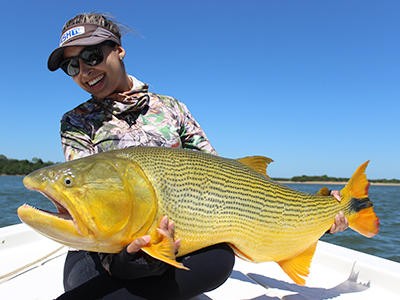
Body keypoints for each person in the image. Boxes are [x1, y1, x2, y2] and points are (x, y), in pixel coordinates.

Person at [47, 13, 348, 299]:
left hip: (178, 243)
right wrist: (122, 262)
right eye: (72, 66)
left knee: (219, 260)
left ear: (119, 51)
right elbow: (85, 200)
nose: (84, 71)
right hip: (106, 249)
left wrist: (323, 215)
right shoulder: (75, 122)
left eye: (92, 56)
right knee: (82, 278)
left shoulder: (172, 109)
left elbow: (221, 175)